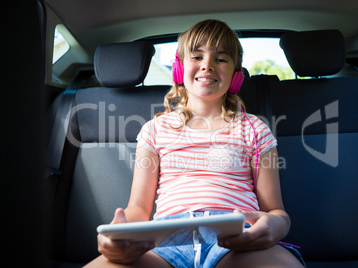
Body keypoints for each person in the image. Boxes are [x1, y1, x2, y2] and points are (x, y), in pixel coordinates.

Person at [85, 19, 305, 268]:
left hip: (236, 239)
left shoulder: (255, 129)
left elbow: (276, 211)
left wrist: (275, 225)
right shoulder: (154, 129)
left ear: (236, 76)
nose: (207, 65)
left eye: (220, 59)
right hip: (164, 242)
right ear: (178, 69)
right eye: (197, 56)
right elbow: (138, 208)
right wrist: (121, 233)